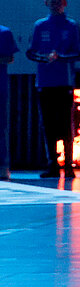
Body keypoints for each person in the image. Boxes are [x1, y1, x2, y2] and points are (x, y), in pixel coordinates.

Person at [26, 0, 80, 178]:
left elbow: (78, 53)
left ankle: (68, 164)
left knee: (66, 123)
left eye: (58, 0)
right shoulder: (39, 25)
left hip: (64, 82)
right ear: (46, 2)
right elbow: (31, 52)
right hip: (44, 81)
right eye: (51, 0)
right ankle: (52, 164)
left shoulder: (72, 25)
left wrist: (60, 57)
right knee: (48, 124)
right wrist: (45, 58)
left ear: (64, 2)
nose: (55, 3)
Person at [0, 16, 16, 179]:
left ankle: (2, 167)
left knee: (0, 126)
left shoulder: (4, 32)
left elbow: (9, 58)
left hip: (0, 86)